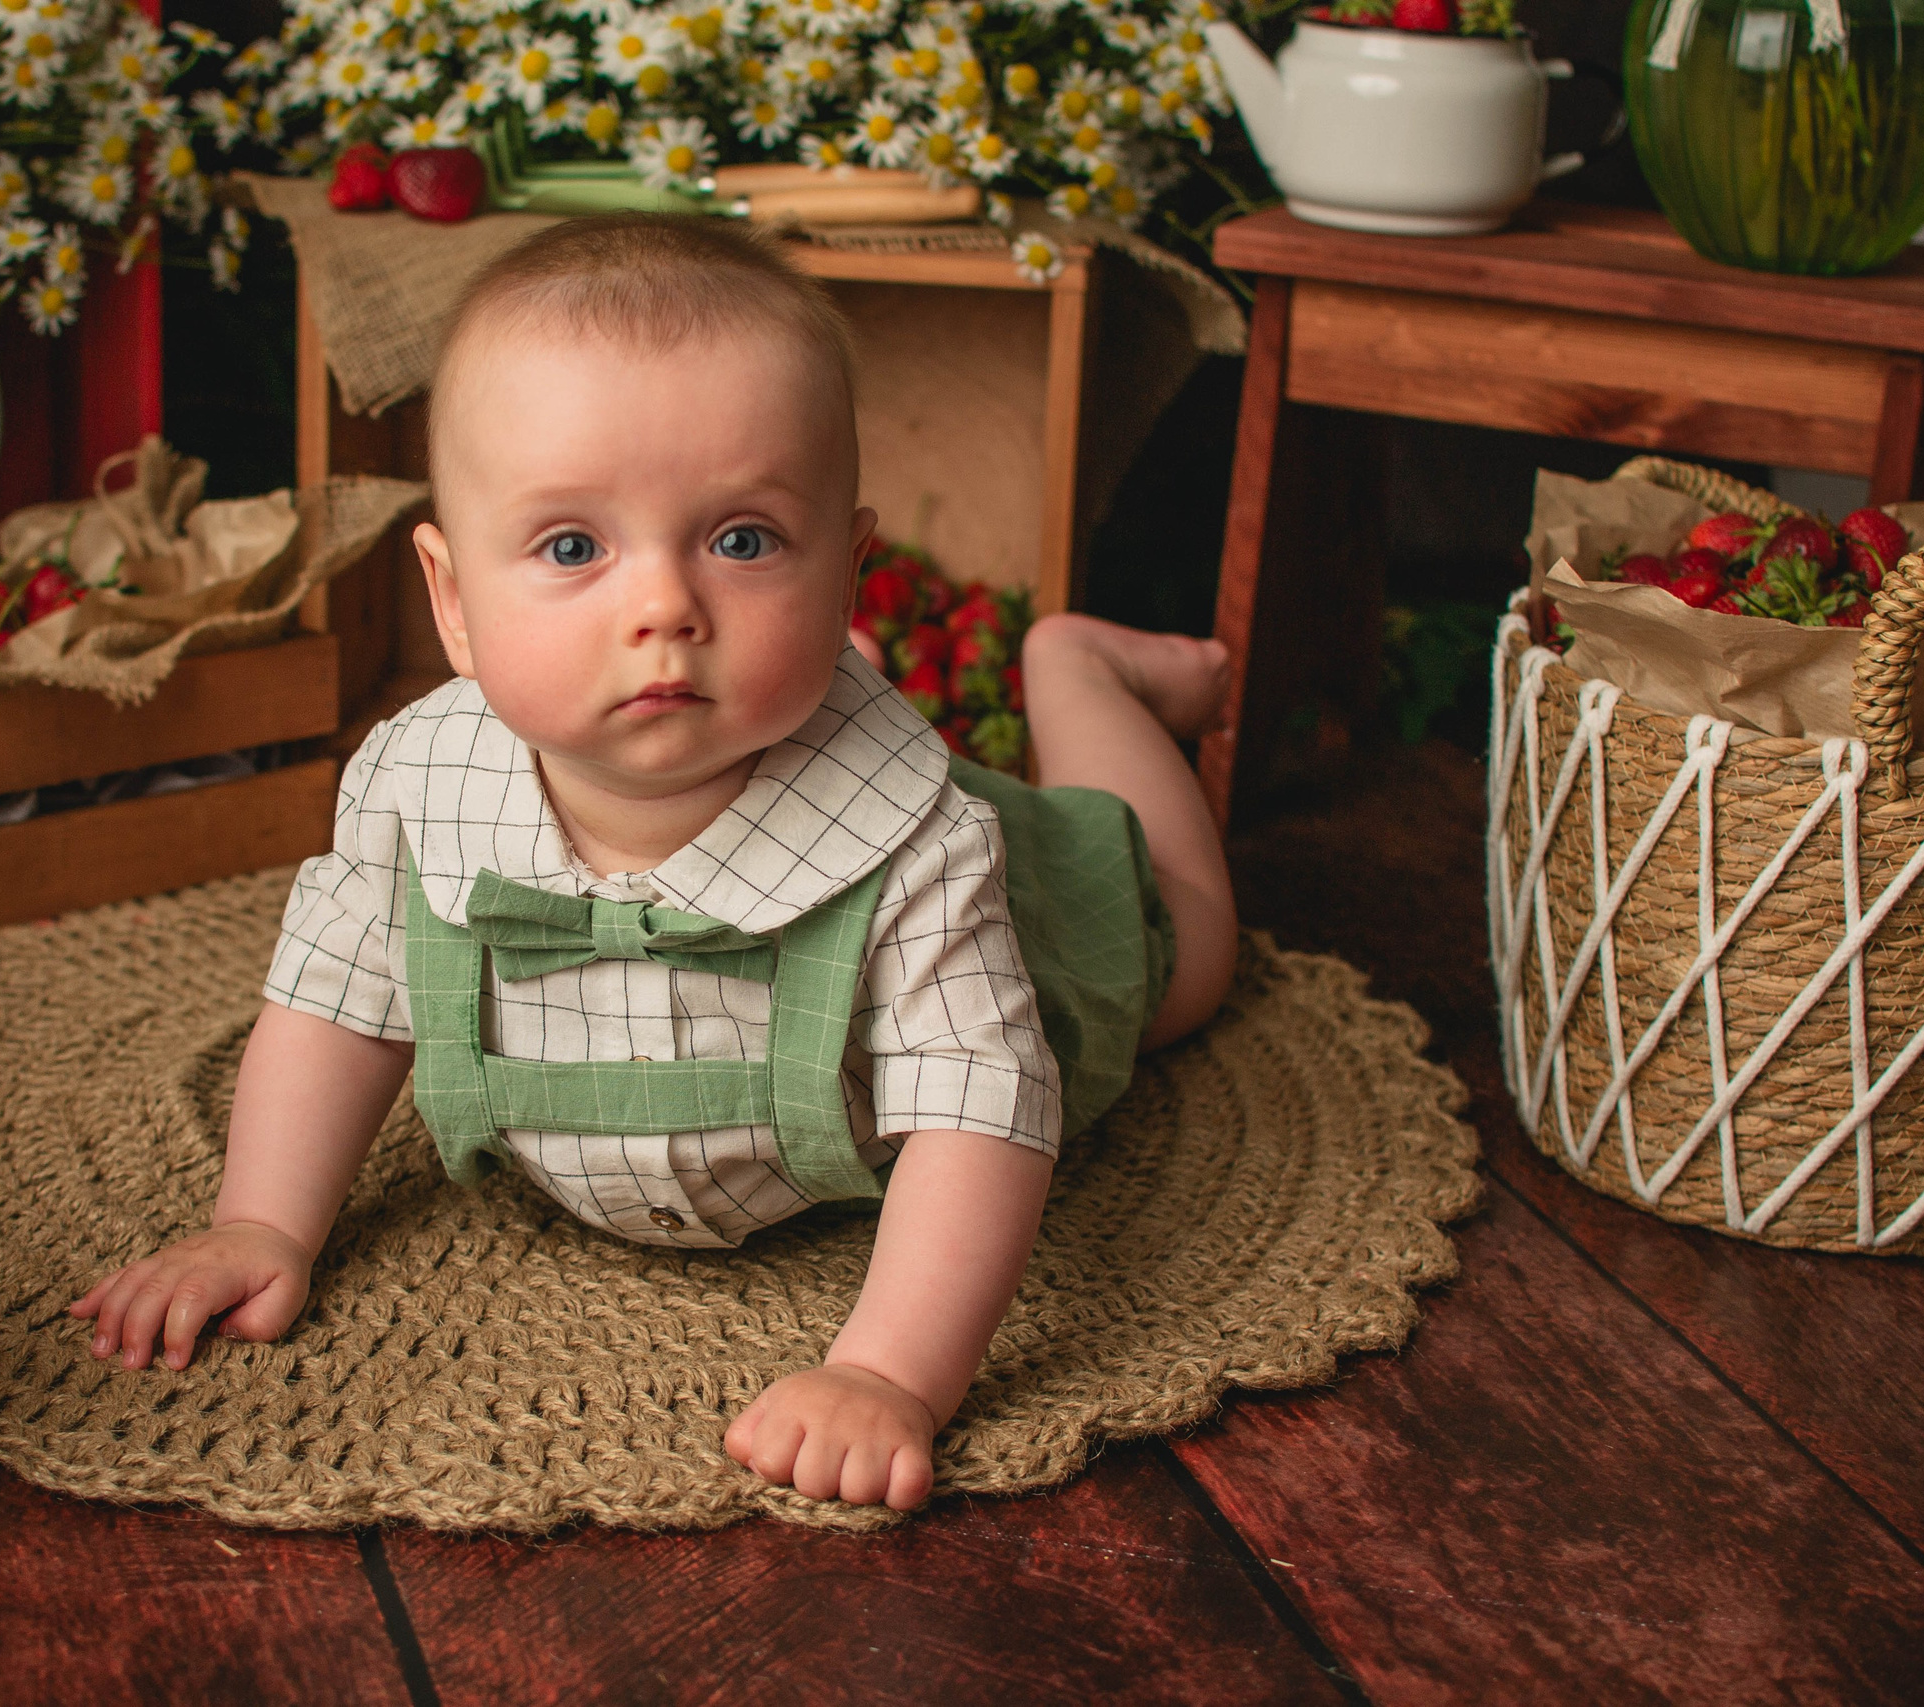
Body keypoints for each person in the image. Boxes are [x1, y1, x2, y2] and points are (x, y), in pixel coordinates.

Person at [71, 213, 1237, 1512]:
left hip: (967, 884)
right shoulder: (419, 789)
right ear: (453, 605)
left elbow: (977, 1118)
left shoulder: (924, 845)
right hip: (740, 762)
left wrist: (890, 1372)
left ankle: (1081, 673)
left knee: (1185, 955)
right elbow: (338, 1004)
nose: (665, 606)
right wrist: (261, 1221)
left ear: (848, 575)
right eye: (573, 548)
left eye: (742, 540)